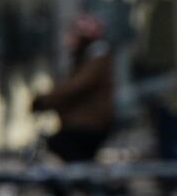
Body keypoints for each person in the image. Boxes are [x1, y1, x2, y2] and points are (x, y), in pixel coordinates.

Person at [32, 13, 118, 166]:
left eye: (73, 36)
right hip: (83, 122)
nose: (69, 41)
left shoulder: (96, 58)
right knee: (72, 155)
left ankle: (88, 178)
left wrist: (45, 99)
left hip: (89, 124)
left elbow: (76, 86)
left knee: (60, 145)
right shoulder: (86, 58)